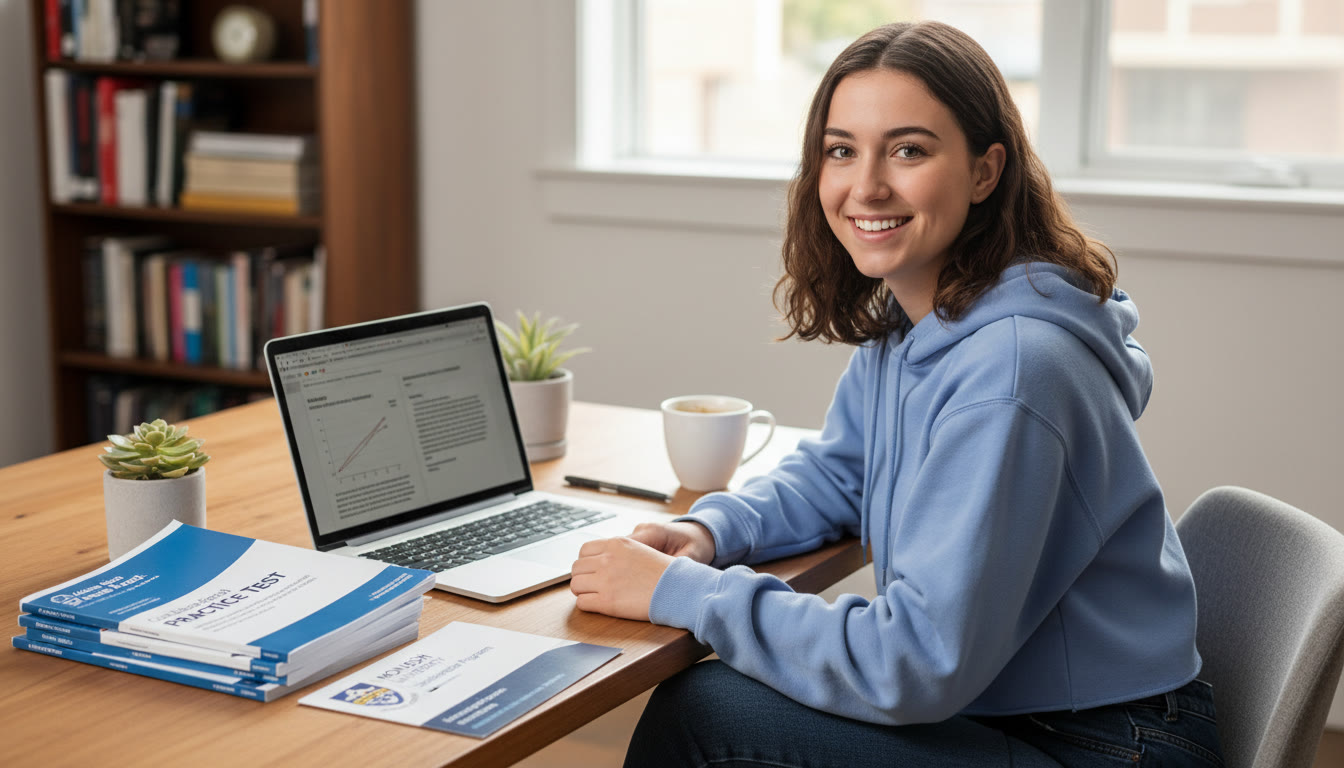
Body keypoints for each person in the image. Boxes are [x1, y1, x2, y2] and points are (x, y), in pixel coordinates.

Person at [570, 20, 1223, 768]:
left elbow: (914, 660)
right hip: (1014, 706)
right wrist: (714, 533)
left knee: (705, 714)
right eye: (842, 150)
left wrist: (683, 593)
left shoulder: (1012, 371)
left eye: (908, 150)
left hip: (1102, 743)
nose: (867, 185)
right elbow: (844, 471)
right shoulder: (918, 319)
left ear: (985, 171)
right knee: (717, 704)